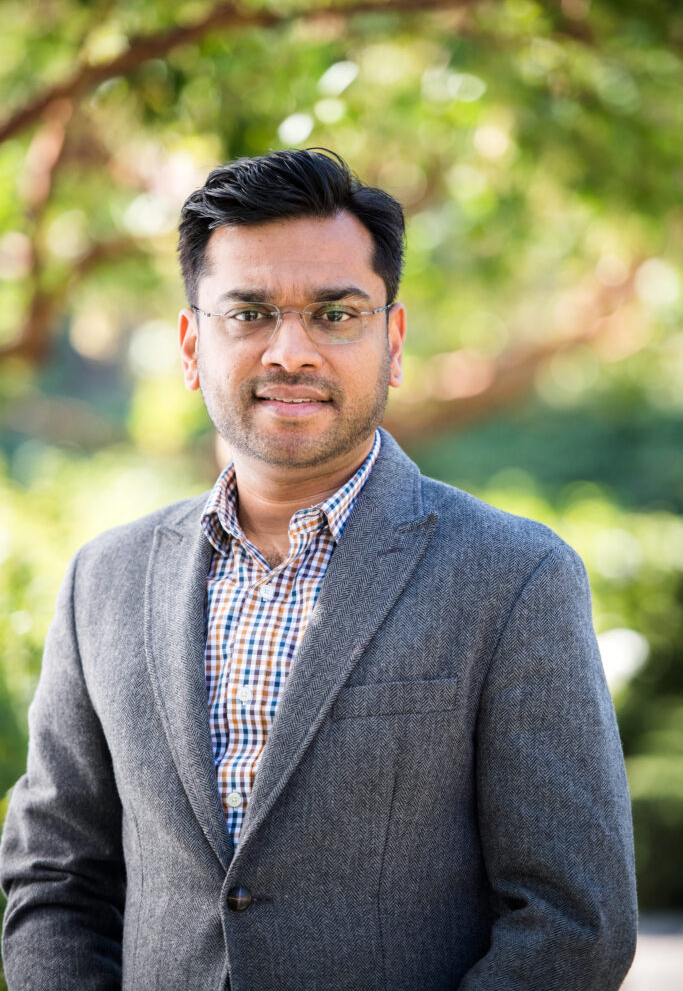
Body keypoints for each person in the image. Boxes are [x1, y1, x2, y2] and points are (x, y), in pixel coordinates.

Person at [0, 148, 637, 991]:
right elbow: (54, 875)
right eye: (250, 313)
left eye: (335, 315)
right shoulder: (104, 582)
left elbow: (574, 921)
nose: (289, 352)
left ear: (392, 339)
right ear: (192, 344)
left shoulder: (513, 578)